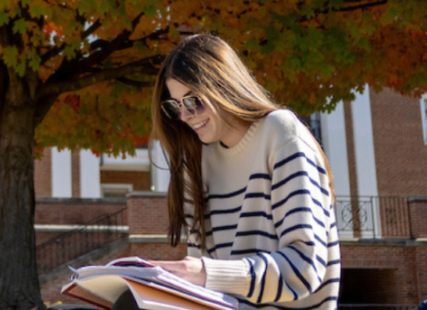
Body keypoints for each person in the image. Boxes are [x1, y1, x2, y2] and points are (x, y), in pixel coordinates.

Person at [140, 34, 339, 310]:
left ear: (222, 85)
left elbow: (305, 266)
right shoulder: (196, 163)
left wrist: (208, 274)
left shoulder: (280, 133)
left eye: (192, 101)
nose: (185, 116)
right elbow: (202, 295)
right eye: (175, 106)